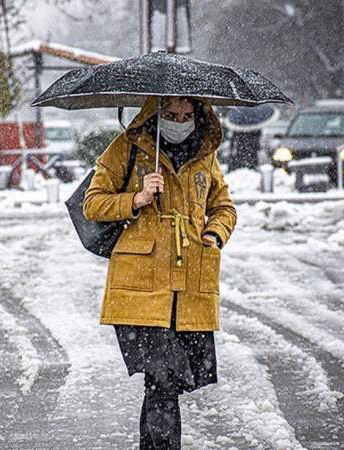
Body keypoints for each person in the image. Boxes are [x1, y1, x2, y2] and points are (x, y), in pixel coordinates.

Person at [83, 96, 237, 449]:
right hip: (140, 288)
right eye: (170, 115)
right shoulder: (127, 148)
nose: (179, 122)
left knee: (164, 384)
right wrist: (136, 199)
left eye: (186, 115)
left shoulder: (204, 155)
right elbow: (92, 204)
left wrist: (214, 234)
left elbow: (224, 207)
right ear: (155, 114)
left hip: (189, 291)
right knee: (163, 379)